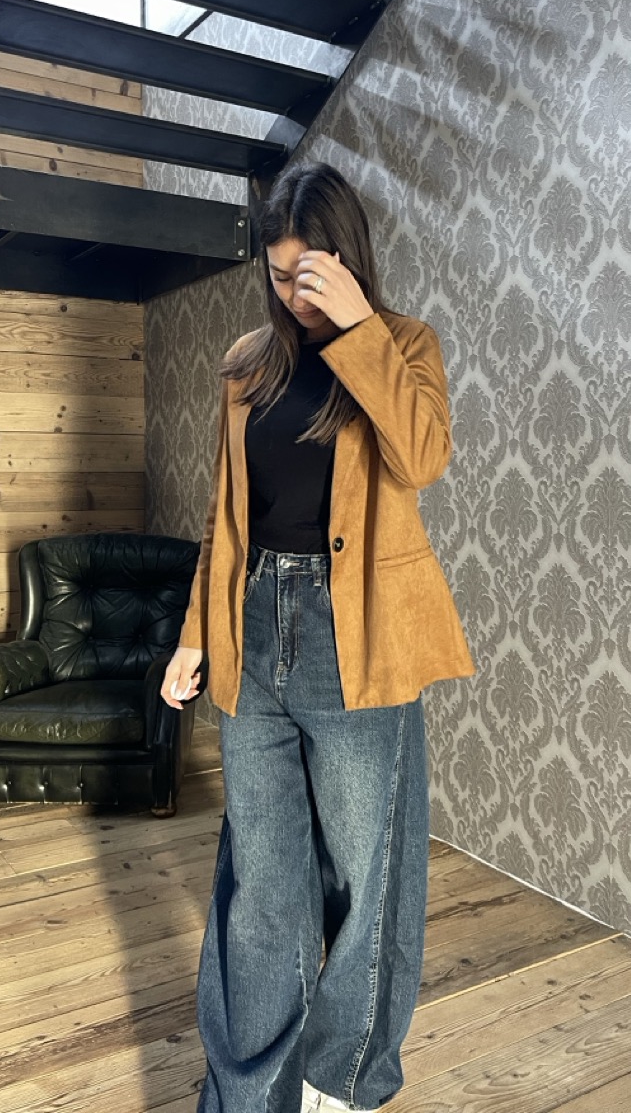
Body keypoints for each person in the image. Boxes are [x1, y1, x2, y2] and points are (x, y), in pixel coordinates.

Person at [161, 162, 476, 1113]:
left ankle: (340, 1085)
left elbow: (423, 457)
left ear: (346, 260)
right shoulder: (246, 364)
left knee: (367, 881)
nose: (292, 295)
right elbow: (226, 513)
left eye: (309, 276)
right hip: (252, 630)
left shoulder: (403, 345)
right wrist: (195, 635)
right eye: (279, 275)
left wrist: (355, 328)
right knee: (261, 886)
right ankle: (249, 1096)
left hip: (357, 640)